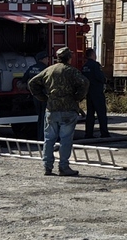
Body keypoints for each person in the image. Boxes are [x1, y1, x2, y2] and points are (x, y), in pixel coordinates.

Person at [27, 47, 89, 177]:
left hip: (51, 109)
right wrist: (78, 97)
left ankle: (47, 167)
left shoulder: (49, 70)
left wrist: (43, 98)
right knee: (65, 139)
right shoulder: (72, 71)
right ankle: (64, 167)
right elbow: (85, 83)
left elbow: (32, 83)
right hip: (68, 109)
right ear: (69, 58)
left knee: (49, 139)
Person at [81, 47, 109, 138]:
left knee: (90, 114)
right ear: (92, 55)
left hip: (89, 93)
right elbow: (100, 77)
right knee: (101, 113)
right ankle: (104, 133)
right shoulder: (95, 65)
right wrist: (104, 80)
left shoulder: (84, 66)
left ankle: (88, 133)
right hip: (97, 92)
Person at [24, 51, 49, 141]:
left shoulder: (31, 68)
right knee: (45, 117)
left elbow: (24, 79)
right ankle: (43, 137)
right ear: (43, 59)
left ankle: (39, 137)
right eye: (46, 58)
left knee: (40, 116)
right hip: (44, 95)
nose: (48, 60)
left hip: (35, 96)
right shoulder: (46, 69)